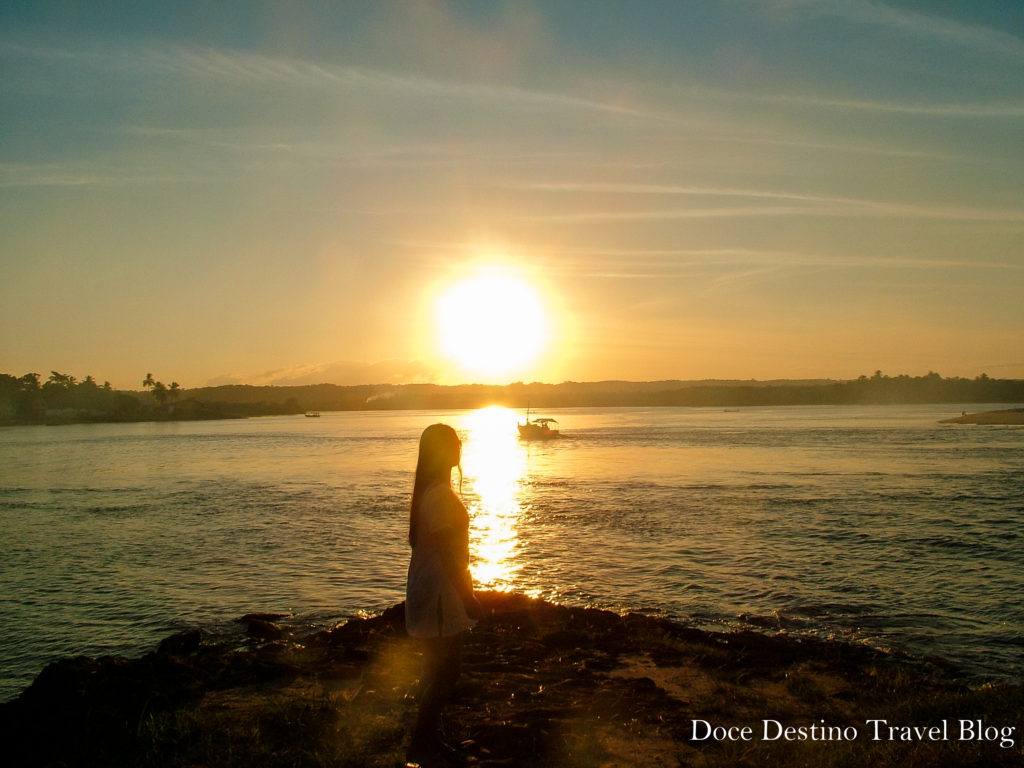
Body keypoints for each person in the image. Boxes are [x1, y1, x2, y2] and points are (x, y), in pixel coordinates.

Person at [405, 423, 482, 766]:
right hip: (438, 593)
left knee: (440, 670)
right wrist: (468, 596)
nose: (460, 444)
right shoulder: (437, 495)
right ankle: (422, 743)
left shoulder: (435, 491)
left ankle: (427, 740)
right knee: (445, 671)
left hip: (437, 591)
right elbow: (449, 555)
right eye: (453, 441)